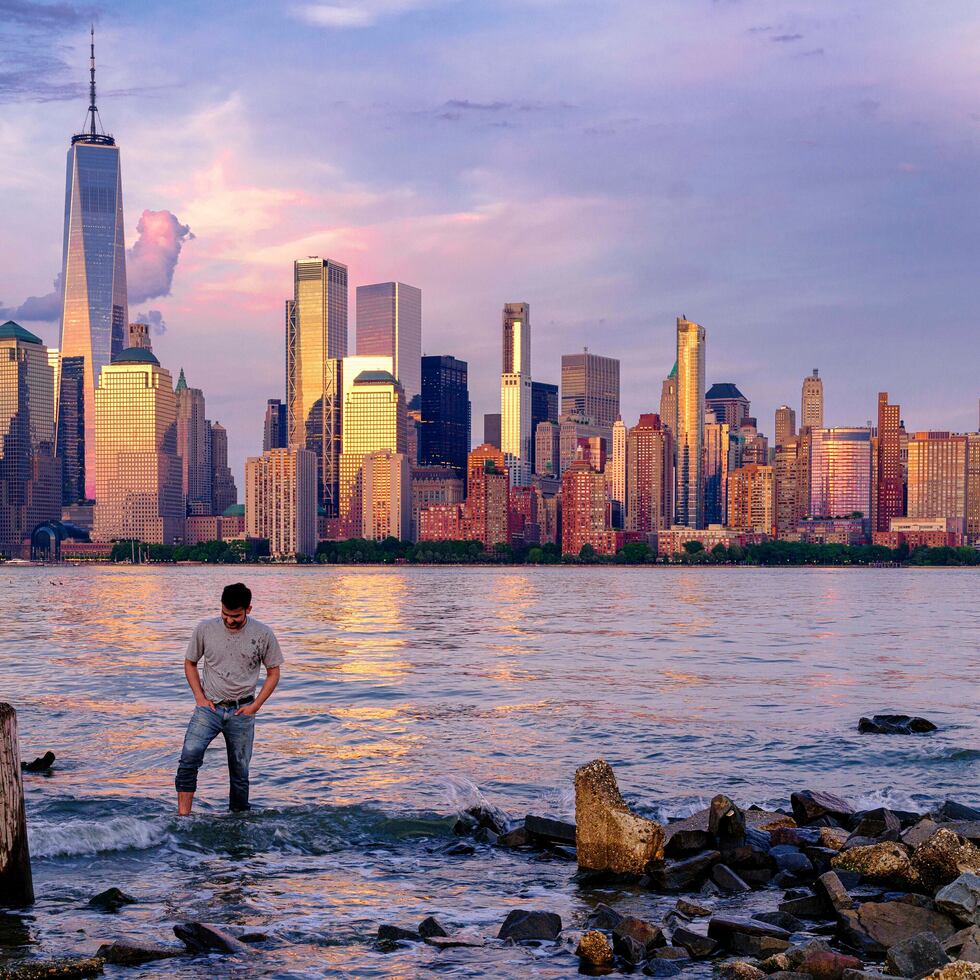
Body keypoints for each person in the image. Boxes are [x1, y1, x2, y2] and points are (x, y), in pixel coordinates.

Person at [175, 582, 283, 815]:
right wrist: (199, 698)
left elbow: (274, 672)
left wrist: (255, 706)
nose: (229, 620)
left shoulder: (263, 634)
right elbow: (190, 663)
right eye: (225, 614)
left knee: (240, 772)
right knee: (189, 758)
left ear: (248, 609)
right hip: (209, 709)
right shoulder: (205, 629)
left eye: (235, 616)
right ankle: (183, 818)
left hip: (242, 710)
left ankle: (238, 821)